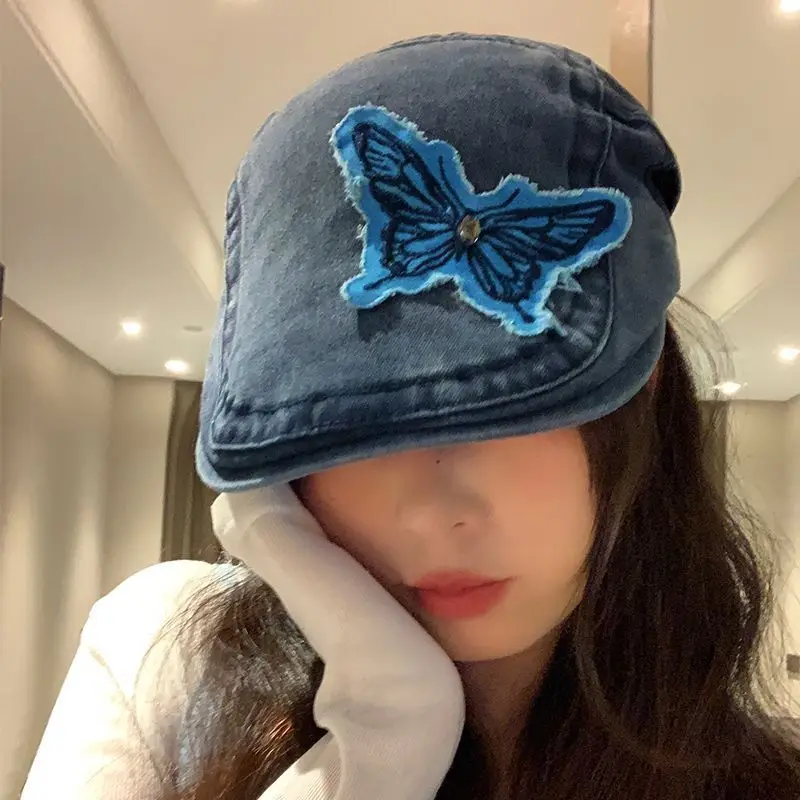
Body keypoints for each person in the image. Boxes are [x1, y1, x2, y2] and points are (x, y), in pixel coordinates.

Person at [21, 33, 800, 800]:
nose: (432, 513)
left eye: (505, 412)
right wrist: (383, 747)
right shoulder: (166, 665)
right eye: (351, 430)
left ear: (641, 389)